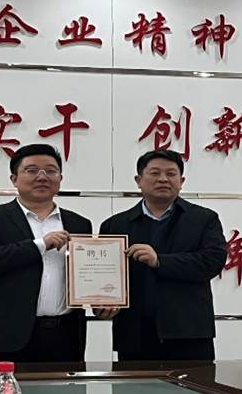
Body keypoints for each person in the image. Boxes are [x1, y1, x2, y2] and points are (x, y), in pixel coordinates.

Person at [0, 143, 92, 363]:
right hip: (6, 336)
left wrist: (100, 301)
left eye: (51, 171)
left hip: (66, 336)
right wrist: (40, 245)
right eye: (31, 170)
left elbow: (86, 274)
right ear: (14, 179)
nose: (42, 177)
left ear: (60, 178)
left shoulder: (79, 223)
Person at [96, 149, 227, 361]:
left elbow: (212, 262)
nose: (163, 179)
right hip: (134, 335)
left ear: (181, 181)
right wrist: (101, 303)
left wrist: (160, 261)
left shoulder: (204, 219)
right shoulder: (115, 225)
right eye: (155, 173)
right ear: (139, 180)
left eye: (171, 173)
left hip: (188, 333)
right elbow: (103, 275)